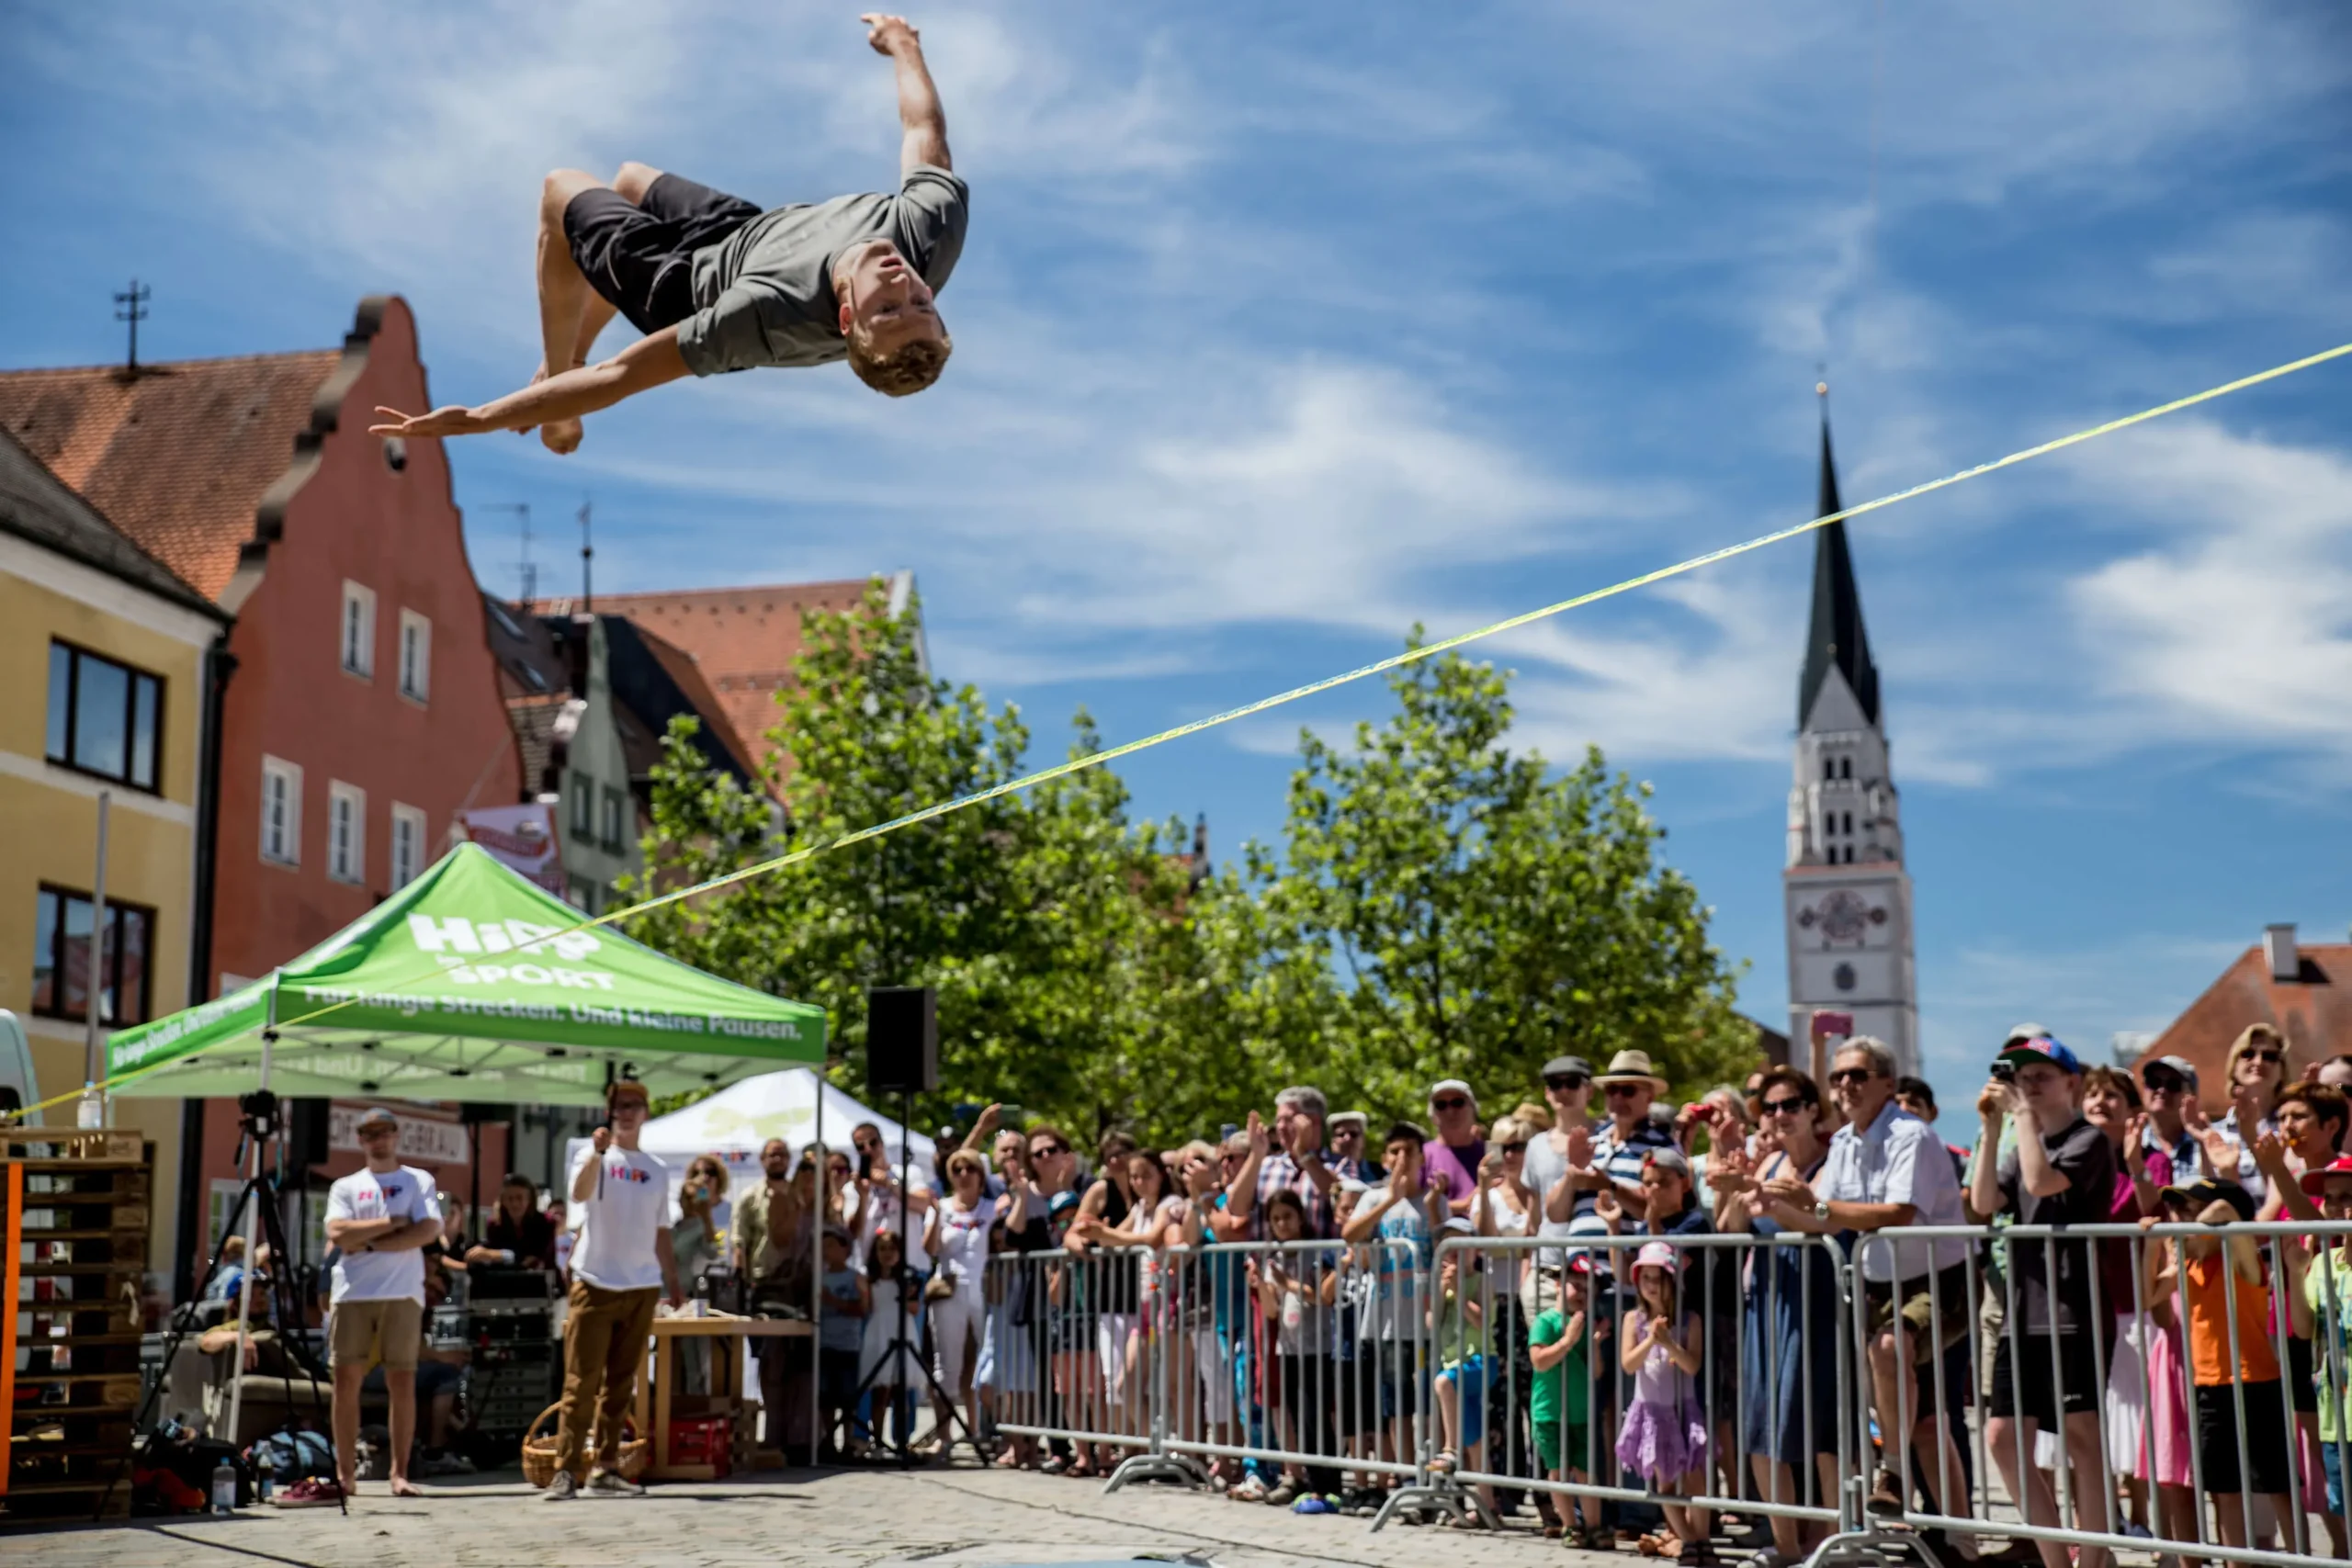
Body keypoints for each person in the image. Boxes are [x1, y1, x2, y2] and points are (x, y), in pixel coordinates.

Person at [367, 13, 966, 450]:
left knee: (558, 190)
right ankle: (568, 361)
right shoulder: (929, 233)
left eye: (889, 308)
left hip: (685, 288)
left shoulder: (760, 316)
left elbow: (621, 376)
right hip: (747, 235)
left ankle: (558, 378)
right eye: (921, 303)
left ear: (847, 317)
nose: (903, 284)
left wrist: (481, 418)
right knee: (630, 179)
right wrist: (903, 44)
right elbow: (923, 127)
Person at [1761, 1036, 1972, 1527]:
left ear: (1887, 1083)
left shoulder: (1911, 1135)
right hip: (1879, 1285)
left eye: (1857, 1075)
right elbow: (1822, 1220)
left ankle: (1892, 1473)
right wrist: (1762, 1198)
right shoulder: (1843, 1142)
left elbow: (1896, 1213)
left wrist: (1813, 1205)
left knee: (1892, 1355)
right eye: (1837, 1077)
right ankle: (1960, 1541)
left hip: (1937, 1280)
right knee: (1925, 1423)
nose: (1845, 1085)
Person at [1970, 1035, 2115, 1568]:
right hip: (2022, 1313)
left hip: (2072, 1311)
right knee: (2001, 1437)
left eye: (2042, 1074)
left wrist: (2022, 1118)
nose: (2028, 1083)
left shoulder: (2088, 1139)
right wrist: (1992, 1129)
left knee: (2081, 1439)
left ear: (2071, 1083)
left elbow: (2040, 1181)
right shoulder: (2021, 1140)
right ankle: (2057, 1559)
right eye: (2021, 1075)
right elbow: (1984, 1201)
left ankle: (2093, 1560)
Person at [1713, 1066, 1841, 1568]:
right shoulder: (1769, 1164)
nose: (1780, 1115)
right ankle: (1786, 1544)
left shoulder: (1833, 1160)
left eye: (1790, 1105)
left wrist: (1771, 1199)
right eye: (1770, 1107)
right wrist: (1734, 1184)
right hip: (1768, 1298)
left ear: (1812, 1110)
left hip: (1818, 1297)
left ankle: (1831, 1540)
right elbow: (1731, 1229)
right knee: (1761, 1425)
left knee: (1825, 1429)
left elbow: (1824, 1221)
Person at [546, 1079, 683, 1502]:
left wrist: (673, 1280)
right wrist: (597, 1153)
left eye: (634, 1105)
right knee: (581, 1381)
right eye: (620, 1106)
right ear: (609, 1112)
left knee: (622, 1384)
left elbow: (661, 1230)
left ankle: (605, 1467)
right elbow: (579, 1194)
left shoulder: (657, 1169)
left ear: (645, 1113)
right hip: (596, 1280)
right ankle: (566, 1470)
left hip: (642, 1284)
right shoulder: (593, 1156)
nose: (626, 1112)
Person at [2158, 1175, 2295, 1554]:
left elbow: (2224, 1209)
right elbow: (2154, 1297)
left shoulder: (2240, 1254)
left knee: (2277, 1485)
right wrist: (2165, 1246)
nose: (2182, 1217)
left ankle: (2301, 1557)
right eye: (2179, 1209)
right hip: (2208, 1384)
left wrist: (2186, 1234)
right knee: (2224, 1491)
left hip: (2254, 1379)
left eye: (2191, 1208)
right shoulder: (2190, 1262)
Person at [322, 1106, 444, 1503]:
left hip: (402, 1292)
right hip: (353, 1291)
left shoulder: (417, 1180)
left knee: (402, 1380)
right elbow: (337, 1232)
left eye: (385, 1132)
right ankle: (345, 1475)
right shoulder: (346, 1186)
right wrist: (393, 1223)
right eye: (371, 1134)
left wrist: (369, 1244)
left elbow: (428, 1229)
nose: (379, 1140)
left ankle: (399, 1473)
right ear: (361, 1139)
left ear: (396, 1136)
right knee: (345, 1381)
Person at [1343, 1123, 1446, 1493]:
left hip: (1427, 1318)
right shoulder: (1374, 1197)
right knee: (1397, 1405)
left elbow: (1444, 1243)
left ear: (1421, 1156)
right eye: (1395, 1151)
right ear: (1385, 1158)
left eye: (1410, 1151)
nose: (1402, 1158)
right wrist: (1391, 1199)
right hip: (1385, 1322)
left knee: (1430, 1404)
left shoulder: (1433, 1199)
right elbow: (1350, 1235)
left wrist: (1432, 1205)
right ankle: (1405, 1478)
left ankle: (1432, 1474)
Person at [1617, 1241, 1711, 1563]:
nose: (1652, 1286)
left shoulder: (1690, 1320)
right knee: (1664, 1480)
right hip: (1653, 1412)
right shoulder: (1633, 1319)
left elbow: (1692, 1365)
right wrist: (1650, 1341)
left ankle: (1702, 1539)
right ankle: (1688, 1540)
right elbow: (1628, 1364)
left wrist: (1669, 1343)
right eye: (1646, 1279)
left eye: (1659, 1279)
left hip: (1683, 1408)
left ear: (1672, 1282)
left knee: (1695, 1476)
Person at [1254, 1189, 1340, 1506]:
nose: (1282, 1224)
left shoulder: (1314, 1252)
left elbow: (1322, 1296)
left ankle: (1329, 1483)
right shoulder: (1274, 1258)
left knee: (1317, 1417)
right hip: (1287, 1347)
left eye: (1287, 1216)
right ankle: (1311, 1480)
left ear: (1300, 1217)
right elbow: (1272, 1311)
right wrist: (1262, 1285)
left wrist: (1286, 1283)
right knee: (1299, 1417)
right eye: (1276, 1219)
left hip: (1316, 1346)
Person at [922, 1147, 994, 1458]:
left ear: (981, 1175)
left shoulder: (993, 1207)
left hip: (985, 1291)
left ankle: (987, 1431)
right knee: (947, 1365)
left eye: (970, 1169)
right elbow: (929, 1249)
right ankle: (944, 1436)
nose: (964, 1175)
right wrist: (935, 1216)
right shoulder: (941, 1207)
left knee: (989, 1362)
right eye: (957, 1170)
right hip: (949, 1292)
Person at [1531, 1257, 1604, 1548]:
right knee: (1559, 1470)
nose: (1582, 1293)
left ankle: (1595, 1526)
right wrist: (1568, 1341)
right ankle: (1570, 1525)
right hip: (1550, 1411)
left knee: (1586, 1472)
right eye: (1576, 1285)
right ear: (1559, 1285)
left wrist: (1594, 1343)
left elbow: (1596, 1372)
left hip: (1580, 1411)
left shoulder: (1584, 1324)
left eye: (1588, 1288)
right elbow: (1539, 1361)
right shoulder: (1546, 1321)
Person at [1227, 1089, 1340, 1240]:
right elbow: (1236, 1208)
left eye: (1288, 1119)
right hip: (1268, 1257)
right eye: (1278, 1120)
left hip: (1322, 1256)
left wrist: (1303, 1154)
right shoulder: (1265, 1165)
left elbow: (1341, 1199)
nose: (1280, 1127)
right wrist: (1256, 1155)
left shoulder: (1341, 1165)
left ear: (1314, 1121)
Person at [816, 1224, 868, 1461]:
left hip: (848, 1345)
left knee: (848, 1397)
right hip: (824, 1344)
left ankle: (848, 1441)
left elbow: (863, 1309)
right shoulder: (818, 1277)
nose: (826, 1250)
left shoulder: (856, 1278)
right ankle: (828, 1439)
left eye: (831, 1245)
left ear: (845, 1249)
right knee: (825, 1397)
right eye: (823, 1246)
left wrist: (834, 1301)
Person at [1424, 1080, 1488, 1218]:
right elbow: (1414, 1205)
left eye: (1458, 1103)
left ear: (1474, 1109)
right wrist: (1464, 1205)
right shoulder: (1422, 1155)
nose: (1450, 1111)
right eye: (1441, 1105)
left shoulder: (1489, 1153)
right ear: (1433, 1116)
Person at [467, 1175, 558, 1269]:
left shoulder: (545, 1223)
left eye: (519, 1198)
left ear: (529, 1200)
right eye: (510, 1198)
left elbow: (536, 1258)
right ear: (503, 1201)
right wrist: (479, 1252)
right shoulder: (495, 1225)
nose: (514, 1204)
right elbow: (493, 1250)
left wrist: (498, 1255)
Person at [2139, 1055, 2206, 1181]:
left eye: (2173, 1085)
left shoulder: (2204, 1145)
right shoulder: (2134, 1146)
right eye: (2154, 1082)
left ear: (2192, 1096)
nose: (2162, 1090)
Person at [1327, 1111, 1385, 1184]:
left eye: (1353, 1134)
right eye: (1341, 1134)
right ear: (1332, 1142)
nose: (1348, 1139)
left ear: (1363, 1140)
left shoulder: (1380, 1172)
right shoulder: (1322, 1171)